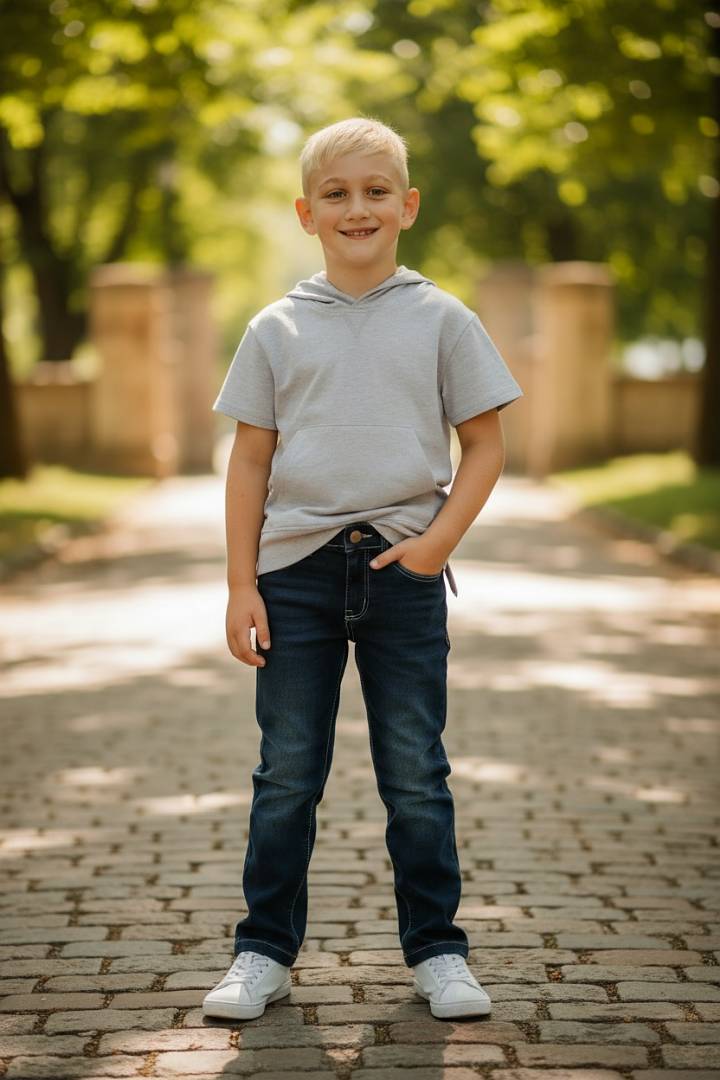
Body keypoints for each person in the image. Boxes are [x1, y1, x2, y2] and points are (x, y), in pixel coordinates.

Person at [203, 116, 524, 1023]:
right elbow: (250, 462)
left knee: (415, 772)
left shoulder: (442, 318)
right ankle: (262, 952)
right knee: (288, 772)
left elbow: (487, 446)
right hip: (296, 573)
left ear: (408, 205)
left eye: (376, 191)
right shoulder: (275, 328)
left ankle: (438, 951)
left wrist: (436, 545)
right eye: (337, 194)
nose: (358, 208)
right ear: (307, 213)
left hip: (403, 573)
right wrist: (240, 584)